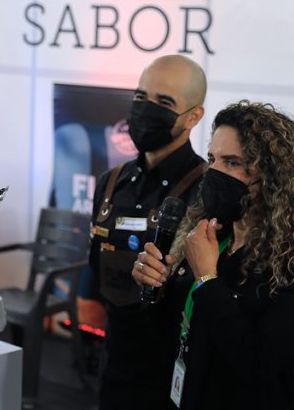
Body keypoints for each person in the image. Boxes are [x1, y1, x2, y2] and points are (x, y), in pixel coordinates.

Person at [132, 100, 294, 409]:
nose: (213, 172)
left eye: (232, 163)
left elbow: (257, 362)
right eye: (212, 159)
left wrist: (207, 279)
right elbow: (173, 333)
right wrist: (155, 287)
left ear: (274, 176)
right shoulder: (211, 237)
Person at [88, 54, 208, 409]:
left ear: (193, 117)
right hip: (115, 366)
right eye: (141, 97)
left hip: (175, 376)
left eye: (164, 102)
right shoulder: (111, 183)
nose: (146, 109)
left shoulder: (206, 193)